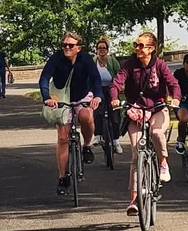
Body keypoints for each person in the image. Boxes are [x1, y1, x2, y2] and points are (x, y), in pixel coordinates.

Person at [109, 32, 180, 216]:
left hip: (157, 109)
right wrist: (115, 98)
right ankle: (134, 200)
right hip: (136, 112)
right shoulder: (129, 65)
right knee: (135, 155)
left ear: (151, 48)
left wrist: (176, 98)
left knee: (157, 133)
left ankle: (163, 163)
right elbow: (116, 83)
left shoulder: (160, 65)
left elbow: (173, 84)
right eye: (136, 45)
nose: (137, 49)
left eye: (141, 45)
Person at [39, 32, 104, 195]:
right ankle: (63, 178)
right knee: (62, 137)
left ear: (78, 48)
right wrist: (46, 97)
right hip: (62, 98)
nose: (67, 48)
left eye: (71, 45)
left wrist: (97, 95)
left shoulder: (86, 59)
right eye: (64, 45)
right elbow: (45, 78)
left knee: (86, 116)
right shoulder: (56, 59)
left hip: (81, 95)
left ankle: (87, 145)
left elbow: (96, 78)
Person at [93, 35, 123, 155]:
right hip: (97, 89)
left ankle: (115, 141)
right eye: (99, 48)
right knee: (97, 110)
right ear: (96, 49)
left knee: (115, 112)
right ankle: (98, 135)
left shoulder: (112, 61)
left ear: (107, 49)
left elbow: (120, 74)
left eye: (104, 48)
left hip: (111, 89)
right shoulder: (93, 61)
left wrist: (120, 86)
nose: (101, 50)